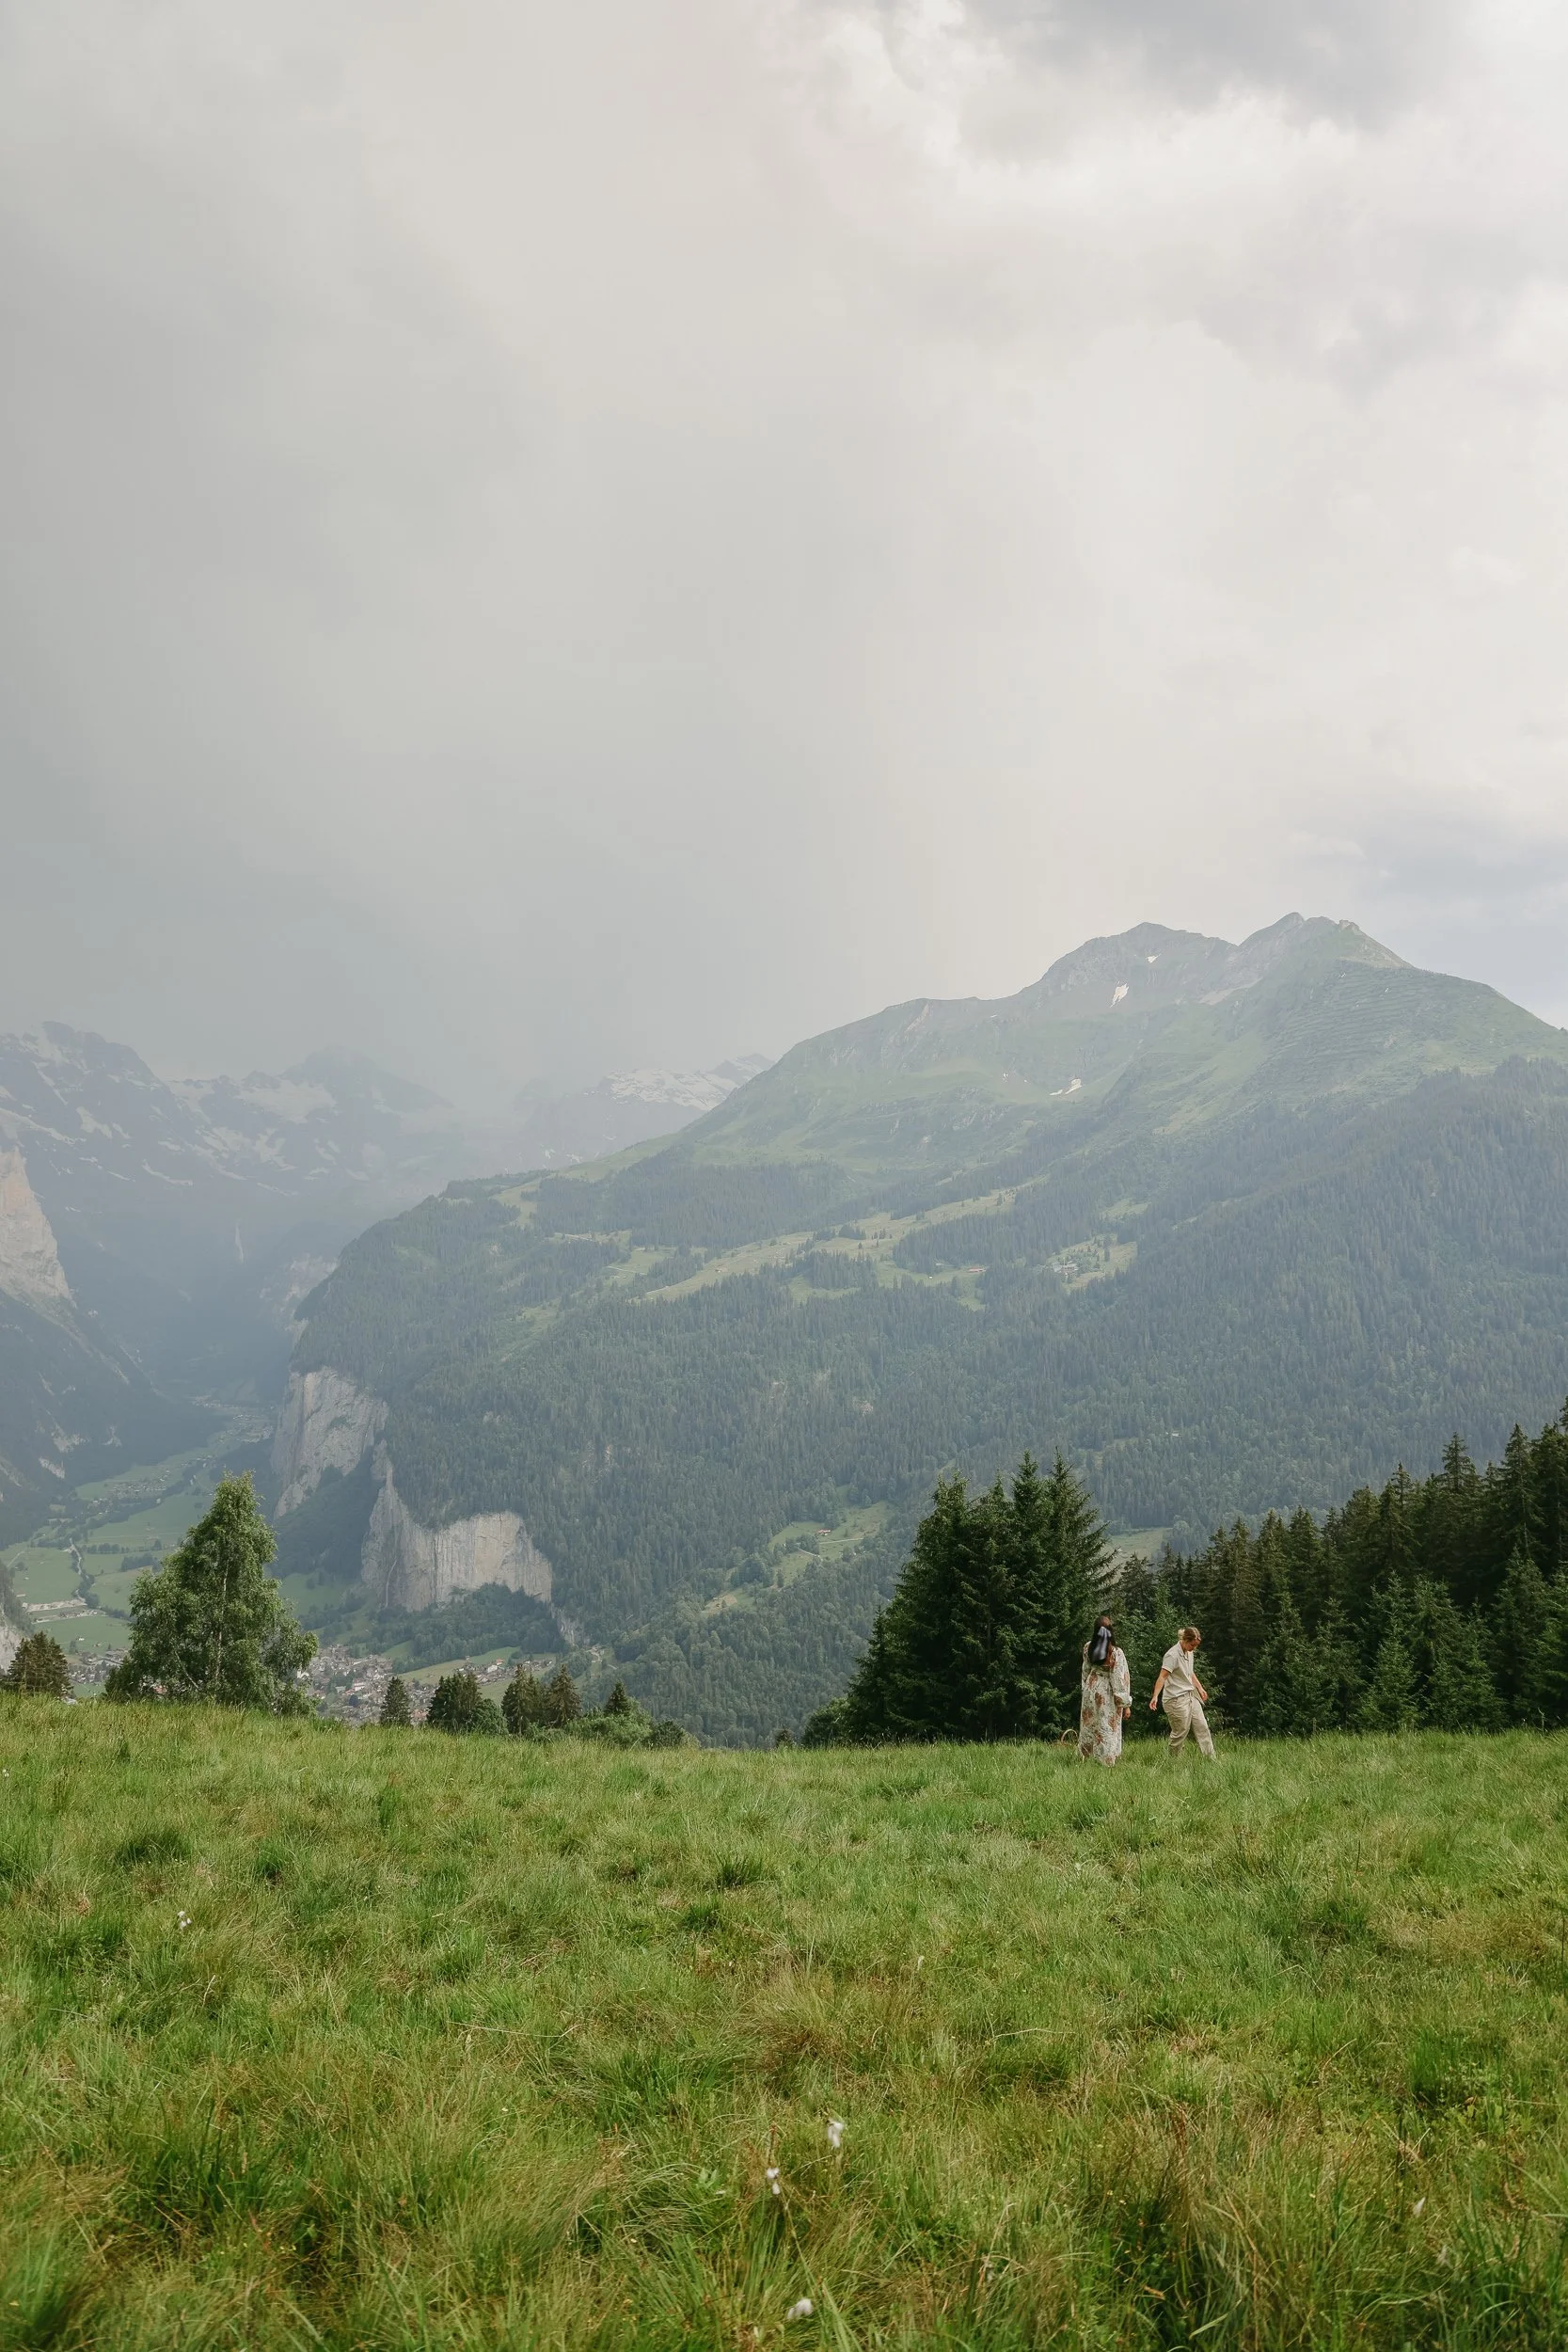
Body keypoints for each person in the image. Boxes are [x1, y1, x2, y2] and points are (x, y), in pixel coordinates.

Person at [1150, 1626, 1215, 1758]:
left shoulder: (1189, 1653)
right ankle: (1173, 1760)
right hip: (1175, 1699)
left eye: (1196, 1645)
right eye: (1192, 1645)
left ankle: (1211, 1758)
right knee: (1181, 1731)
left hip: (1190, 1695)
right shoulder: (1172, 1655)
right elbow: (1162, 1676)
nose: (1194, 1648)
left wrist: (1200, 1688)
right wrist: (1155, 1696)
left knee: (1202, 1727)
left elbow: (1190, 1673)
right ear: (1185, 1640)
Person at [1078, 1614, 1132, 1765]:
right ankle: (1106, 1761)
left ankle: (1086, 1758)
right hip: (1107, 1692)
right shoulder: (1115, 1652)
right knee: (1106, 1725)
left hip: (1091, 1687)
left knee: (1090, 1723)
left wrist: (1085, 1689)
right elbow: (1118, 1680)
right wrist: (1125, 1704)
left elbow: (1085, 1670)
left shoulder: (1088, 1647)